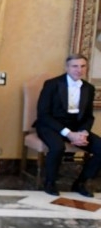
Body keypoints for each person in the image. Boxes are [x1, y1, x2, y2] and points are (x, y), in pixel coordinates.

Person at [35, 54, 101, 197]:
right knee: (58, 147)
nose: (79, 70)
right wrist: (68, 134)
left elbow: (88, 116)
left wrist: (83, 132)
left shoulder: (88, 88)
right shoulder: (51, 84)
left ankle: (80, 183)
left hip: (76, 128)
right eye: (75, 66)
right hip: (50, 126)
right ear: (67, 68)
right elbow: (43, 115)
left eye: (82, 66)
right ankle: (50, 182)